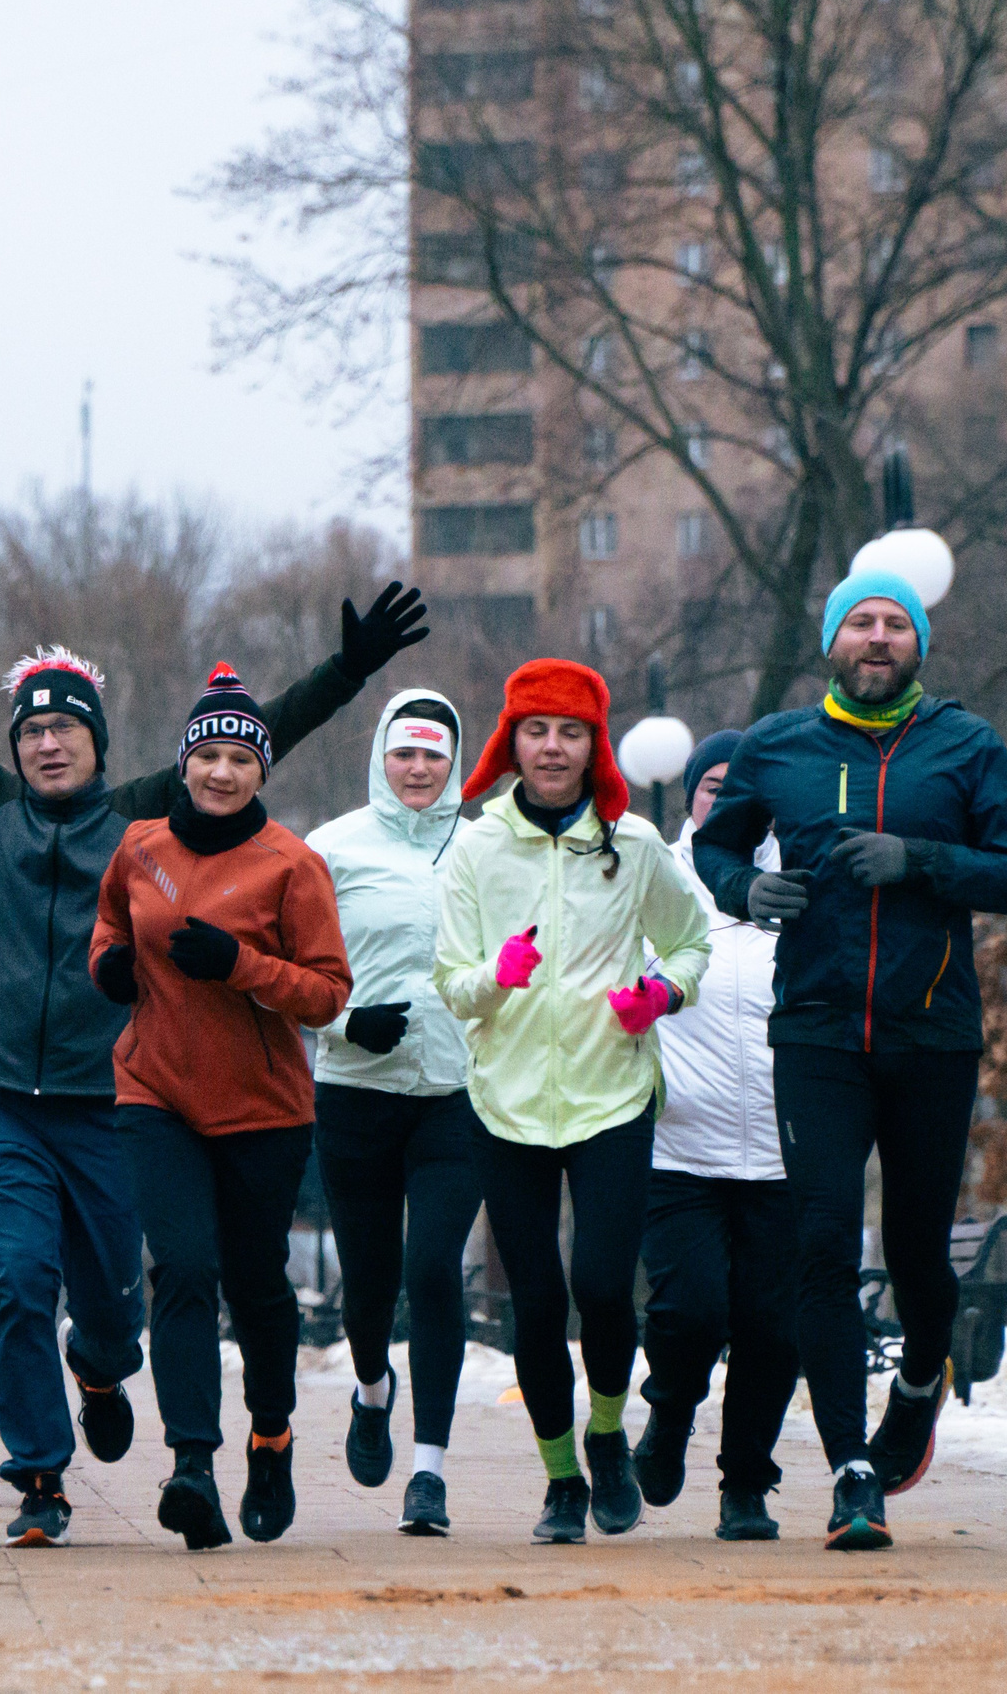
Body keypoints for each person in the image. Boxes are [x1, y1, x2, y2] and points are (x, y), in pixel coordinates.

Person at [0, 582, 423, 1547]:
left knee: (111, 1308)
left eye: (67, 729)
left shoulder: (145, 819)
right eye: (32, 732)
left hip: (112, 1104)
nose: (48, 744)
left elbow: (245, 751)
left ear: (99, 742)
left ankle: (99, 1367)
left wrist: (346, 672)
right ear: (14, 747)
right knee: (13, 1280)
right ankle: (41, 1477)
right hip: (2, 1098)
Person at [695, 570, 1007, 1551]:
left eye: (896, 623)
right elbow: (713, 851)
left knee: (914, 1254)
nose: (878, 635)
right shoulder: (777, 746)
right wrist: (742, 890)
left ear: (918, 647)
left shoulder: (965, 747)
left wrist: (922, 860)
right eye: (860, 621)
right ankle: (853, 1472)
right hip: (813, 1034)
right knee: (819, 1244)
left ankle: (920, 1375)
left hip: (930, 1033)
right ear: (832, 643)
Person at [433, 659, 711, 1547]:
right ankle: (560, 1479)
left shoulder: (634, 848)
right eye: (537, 729)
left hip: (611, 1094)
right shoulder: (476, 847)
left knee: (601, 1282)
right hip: (506, 1102)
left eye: (572, 731)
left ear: (594, 745)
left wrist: (661, 993)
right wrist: (496, 976)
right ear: (510, 742)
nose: (553, 747)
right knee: (539, 1302)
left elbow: (691, 940)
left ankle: (606, 1435)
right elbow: (451, 983)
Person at [91, 665, 353, 1550]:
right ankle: (192, 1464)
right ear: (184, 762)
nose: (222, 770)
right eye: (208, 752)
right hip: (155, 1090)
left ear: (262, 772)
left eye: (242, 755)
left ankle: (270, 1436)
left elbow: (326, 994)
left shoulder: (292, 861)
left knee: (256, 1283)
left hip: (264, 1108)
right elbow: (111, 928)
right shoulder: (140, 847)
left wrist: (237, 964)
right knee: (186, 1268)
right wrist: (109, 966)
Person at [304, 689, 482, 1537]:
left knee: (434, 1270)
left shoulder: (487, 846)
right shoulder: (330, 848)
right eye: (404, 753)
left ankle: (430, 1471)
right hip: (355, 1091)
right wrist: (342, 1021)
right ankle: (372, 1387)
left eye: (434, 755)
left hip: (459, 1094)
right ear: (381, 756)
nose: (418, 768)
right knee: (370, 1286)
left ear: (455, 761)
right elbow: (284, 970)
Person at [632, 730, 800, 1542]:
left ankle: (746, 1485)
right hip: (679, 1147)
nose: (723, 798)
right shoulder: (654, 877)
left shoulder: (793, 879)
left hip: (783, 1151)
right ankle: (668, 1420)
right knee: (690, 1311)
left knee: (773, 1328)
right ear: (692, 792)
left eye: (743, 786)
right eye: (711, 785)